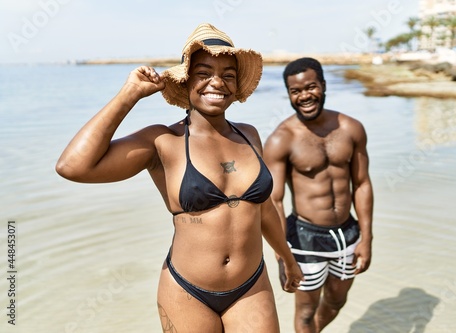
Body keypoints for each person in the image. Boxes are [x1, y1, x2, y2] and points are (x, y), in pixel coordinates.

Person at [56, 23, 303, 333]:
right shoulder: (163, 142)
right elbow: (73, 166)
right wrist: (129, 96)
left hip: (252, 285)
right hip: (188, 292)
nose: (217, 82)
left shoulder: (249, 135)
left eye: (228, 74)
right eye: (204, 73)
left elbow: (262, 209)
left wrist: (287, 258)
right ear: (186, 81)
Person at [263, 57, 374, 333]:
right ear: (289, 94)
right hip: (304, 237)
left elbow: (362, 184)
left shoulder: (351, 128)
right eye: (295, 91)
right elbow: (273, 200)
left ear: (323, 85)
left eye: (310, 87)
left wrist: (366, 238)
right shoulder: (281, 138)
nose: (304, 96)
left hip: (348, 233)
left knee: (337, 300)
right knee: (305, 312)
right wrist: (282, 255)